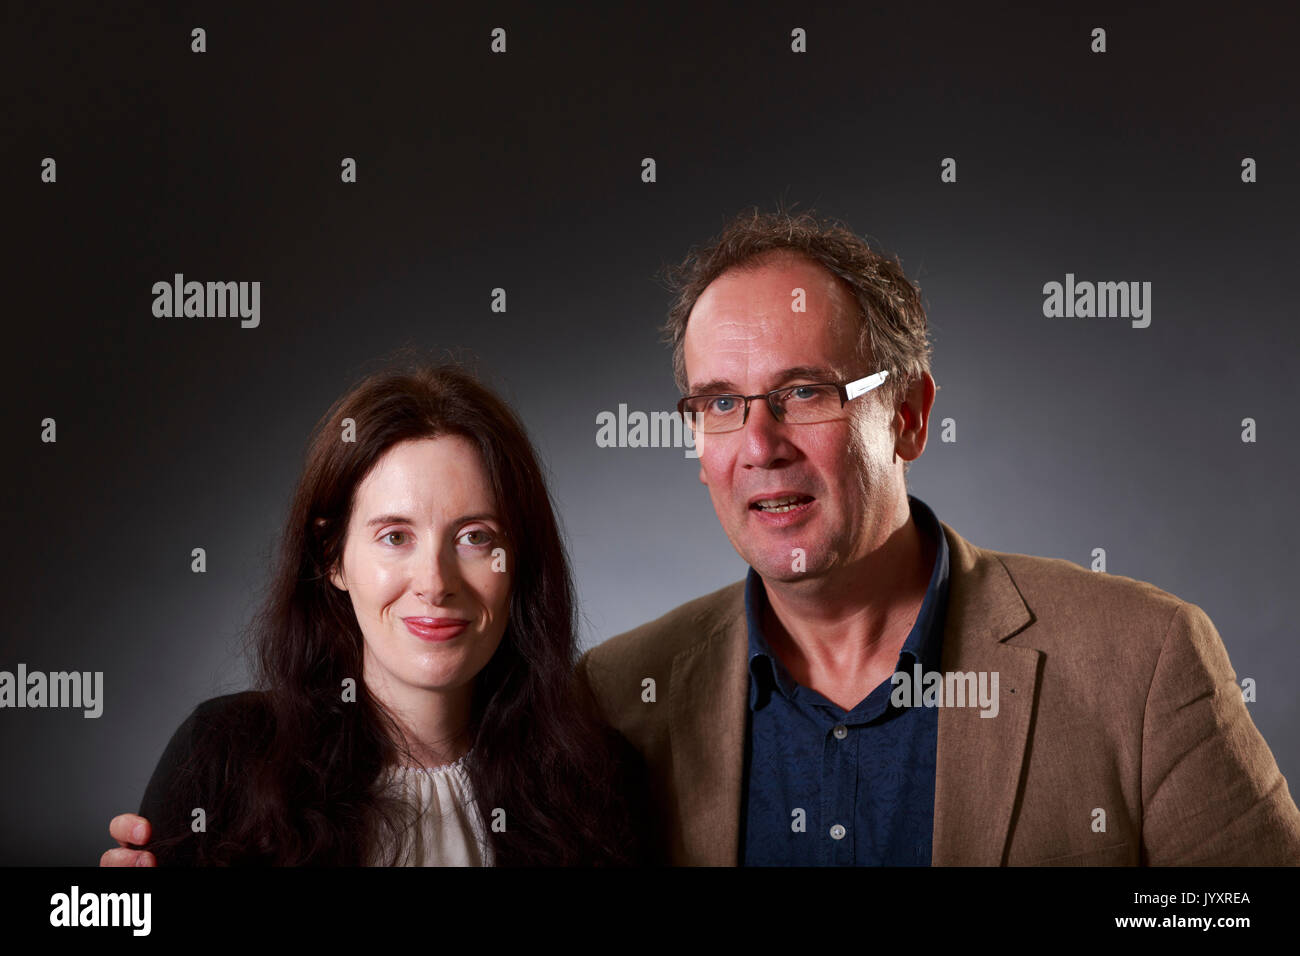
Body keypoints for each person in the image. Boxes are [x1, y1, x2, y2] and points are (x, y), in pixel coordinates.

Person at [576, 207, 1300, 865]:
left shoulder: (1144, 660)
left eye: (805, 393)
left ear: (910, 415)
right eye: (723, 403)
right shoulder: (616, 700)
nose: (760, 446)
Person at [102, 361, 647, 866]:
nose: (435, 582)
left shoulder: (600, 783)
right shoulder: (219, 762)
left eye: (475, 537)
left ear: (519, 562)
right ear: (332, 557)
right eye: (394, 536)